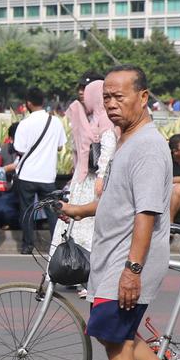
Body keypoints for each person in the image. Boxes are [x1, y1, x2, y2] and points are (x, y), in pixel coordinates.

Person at [59, 65, 180, 360]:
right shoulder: (127, 139)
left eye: (120, 96)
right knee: (115, 334)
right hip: (115, 257)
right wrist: (80, 210)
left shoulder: (149, 147)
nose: (112, 104)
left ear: (143, 97)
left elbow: (146, 213)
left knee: (115, 339)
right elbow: (118, 201)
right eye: (107, 97)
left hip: (128, 260)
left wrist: (131, 271)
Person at [52, 80, 117, 256]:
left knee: (85, 223)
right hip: (83, 181)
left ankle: (81, 264)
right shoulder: (95, 117)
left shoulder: (105, 118)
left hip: (93, 182)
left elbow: (108, 150)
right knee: (75, 223)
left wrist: (101, 177)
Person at [13, 87, 67, 255]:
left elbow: (19, 149)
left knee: (27, 211)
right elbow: (60, 147)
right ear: (43, 102)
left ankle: (28, 245)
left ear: (28, 103)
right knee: (52, 210)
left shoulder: (24, 124)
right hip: (47, 175)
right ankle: (55, 244)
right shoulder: (55, 122)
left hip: (27, 174)